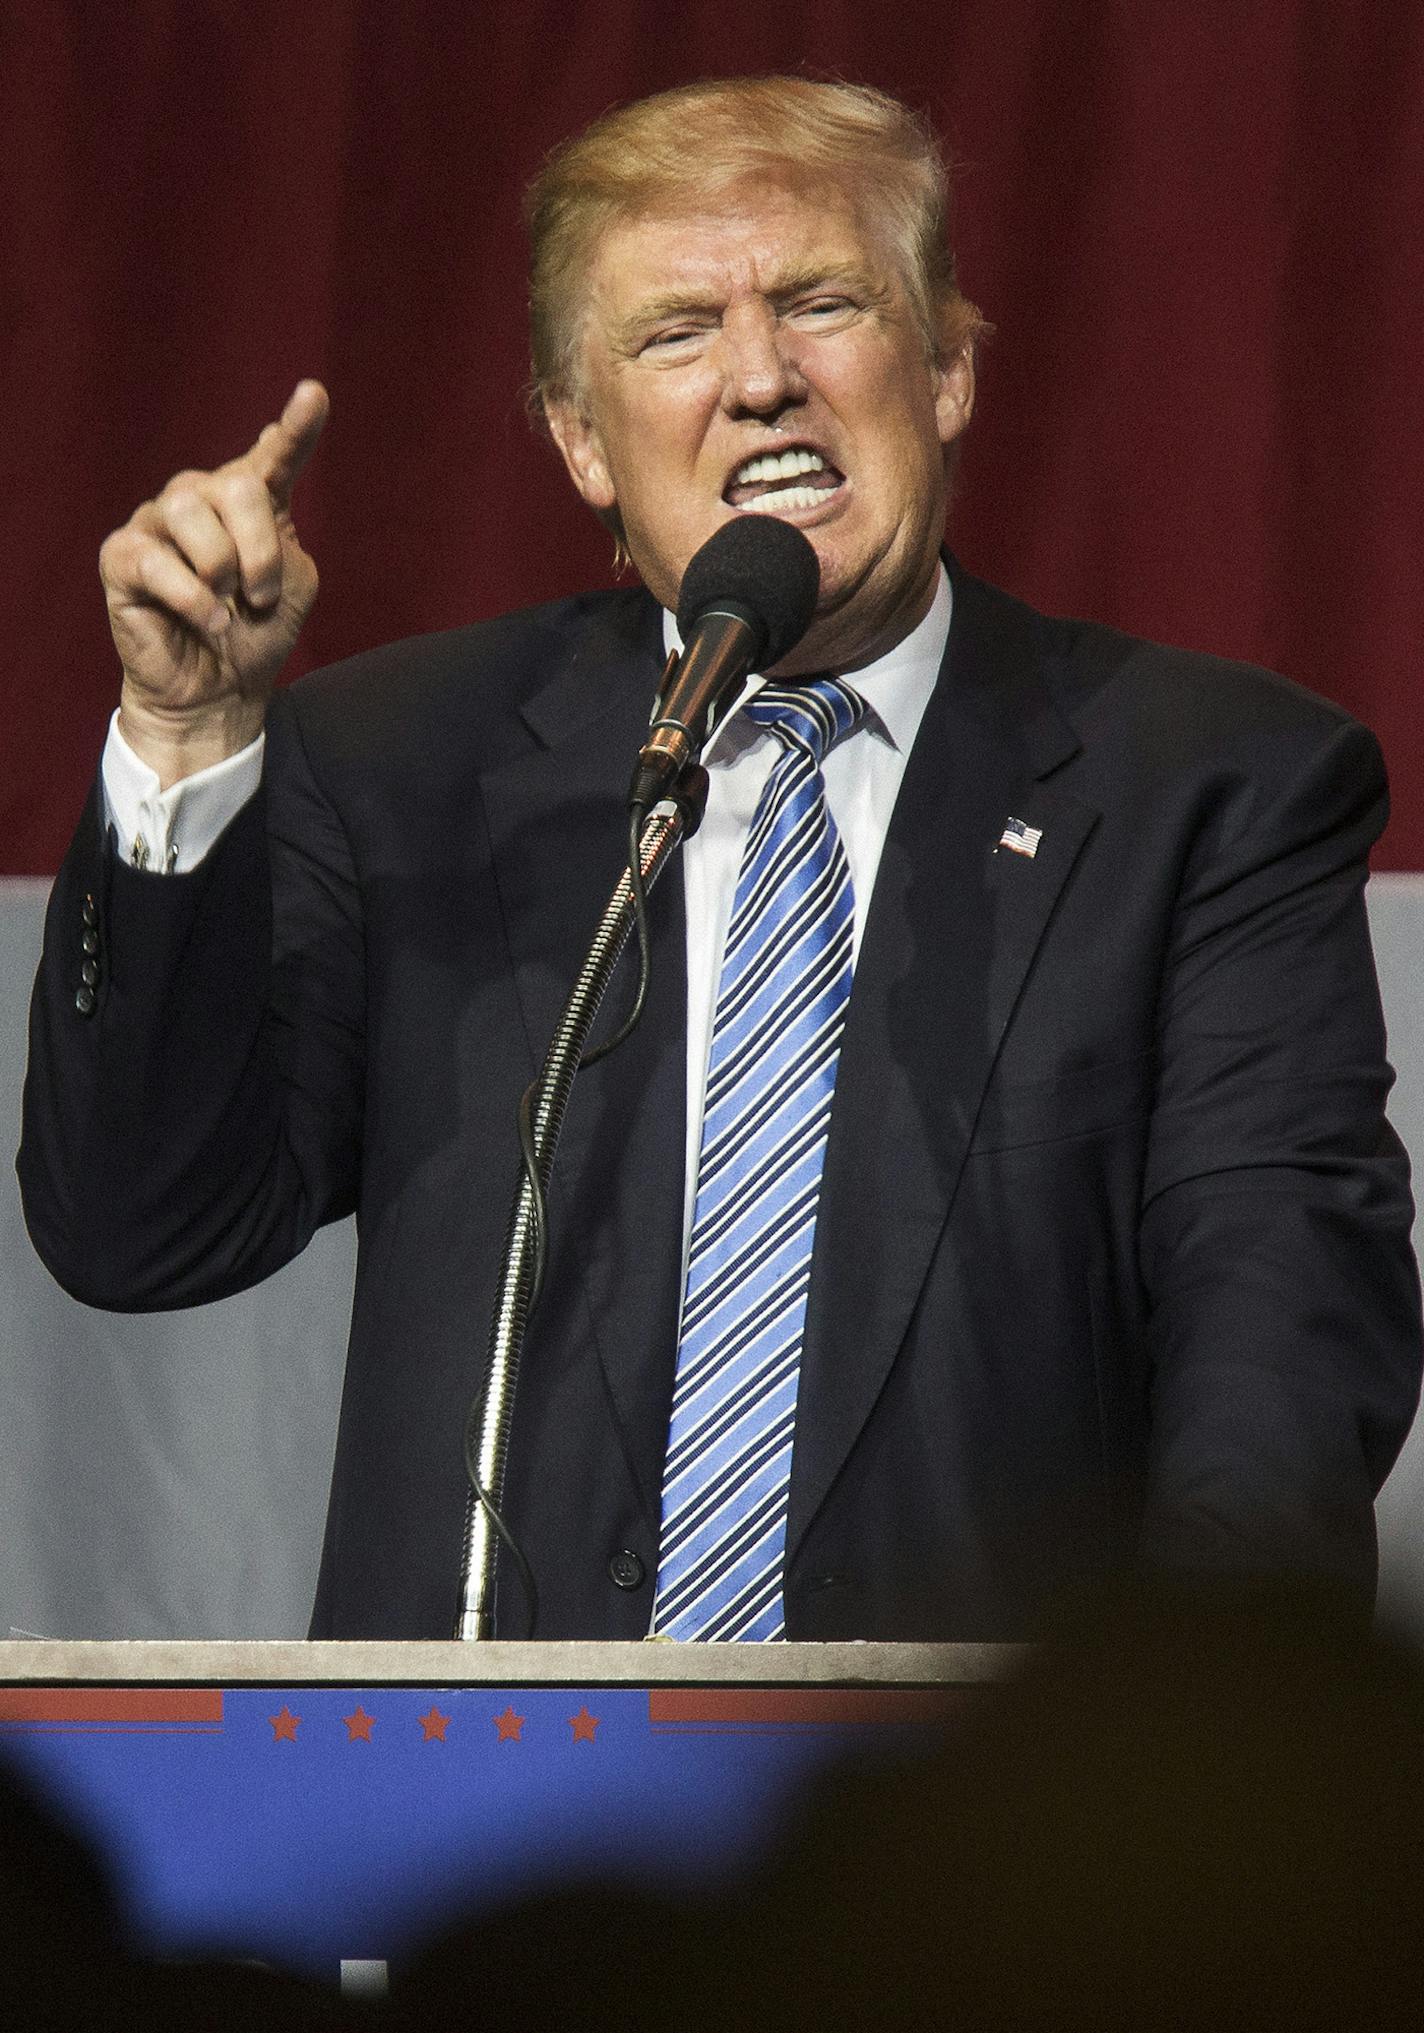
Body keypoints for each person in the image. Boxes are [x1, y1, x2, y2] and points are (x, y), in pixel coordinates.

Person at [19, 76, 1421, 1642]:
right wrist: (189, 733)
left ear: (949, 369)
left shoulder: (1210, 787)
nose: (761, 378)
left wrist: (1183, 1763)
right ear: (580, 443)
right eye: (677, 332)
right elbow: (142, 1229)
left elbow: (1278, 1347)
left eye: (823, 303)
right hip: (489, 1839)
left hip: (985, 1842)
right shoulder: (403, 763)